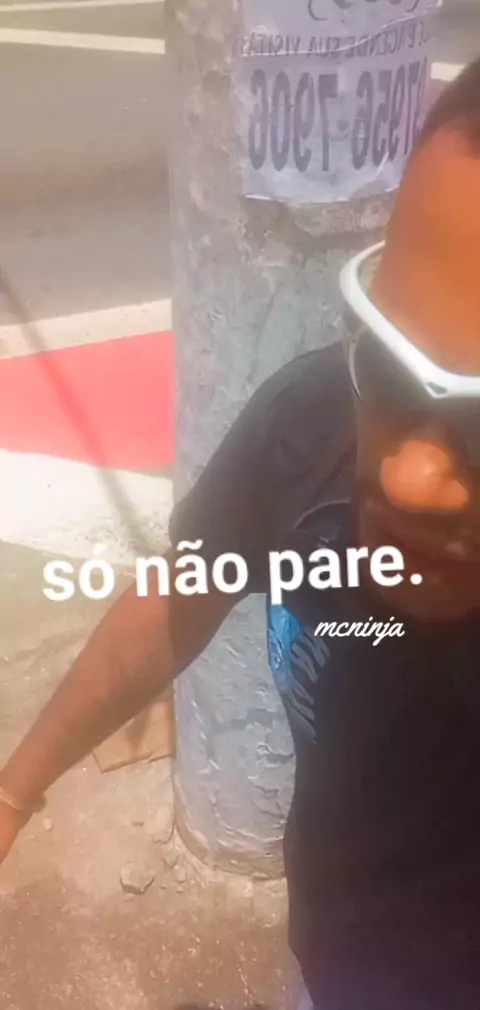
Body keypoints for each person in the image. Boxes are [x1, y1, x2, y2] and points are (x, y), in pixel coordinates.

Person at [1, 60, 479, 1010]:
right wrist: (16, 790)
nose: (409, 475)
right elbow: (180, 596)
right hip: (332, 956)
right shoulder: (310, 420)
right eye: (387, 363)